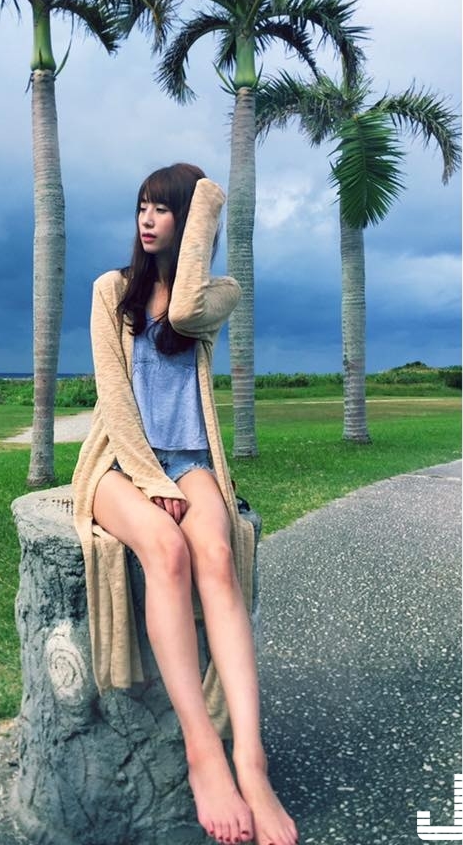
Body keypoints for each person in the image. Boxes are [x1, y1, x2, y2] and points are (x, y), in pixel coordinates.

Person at [71, 164, 298, 845]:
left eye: (162, 208)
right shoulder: (110, 290)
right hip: (117, 463)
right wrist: (151, 482)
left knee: (217, 555)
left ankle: (250, 761)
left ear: (192, 220)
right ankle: (204, 751)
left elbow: (181, 312)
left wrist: (206, 201)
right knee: (166, 550)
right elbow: (114, 397)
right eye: (141, 206)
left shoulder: (217, 294)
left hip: (192, 458)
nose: (146, 219)